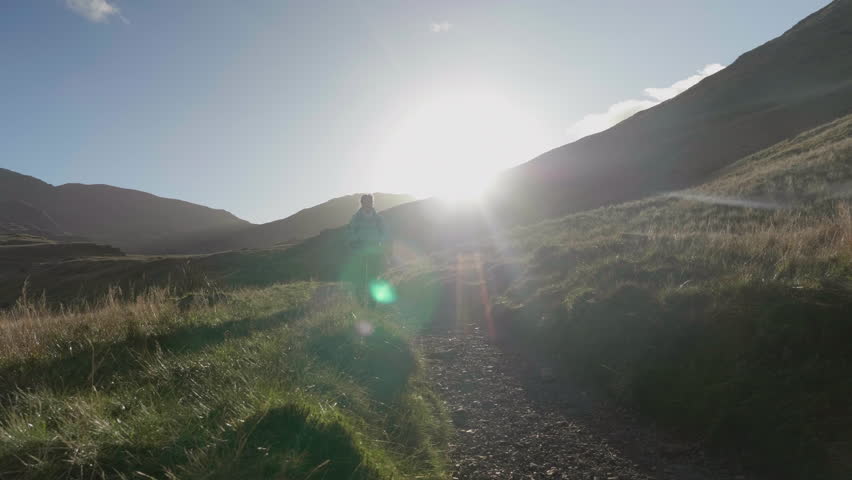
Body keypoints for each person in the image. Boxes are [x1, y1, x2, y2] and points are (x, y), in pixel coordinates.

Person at [346, 194, 389, 306]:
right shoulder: (355, 218)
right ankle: (360, 302)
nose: (368, 204)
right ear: (362, 203)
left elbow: (384, 233)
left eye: (370, 202)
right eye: (365, 202)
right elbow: (350, 231)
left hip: (375, 250)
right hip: (360, 251)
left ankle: (372, 304)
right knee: (360, 277)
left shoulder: (378, 219)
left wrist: (380, 242)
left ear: (372, 203)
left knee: (373, 277)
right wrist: (355, 241)